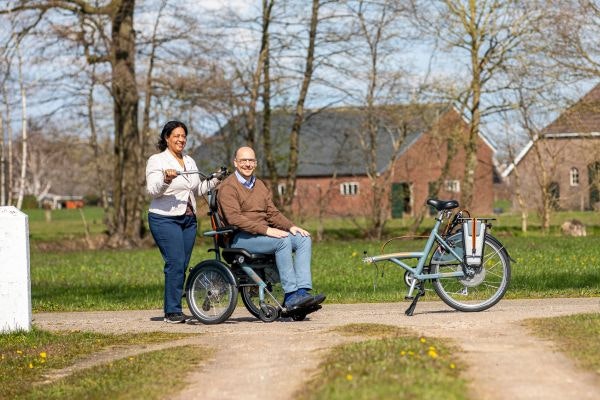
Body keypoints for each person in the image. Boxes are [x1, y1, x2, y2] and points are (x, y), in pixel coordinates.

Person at [217, 146, 326, 311]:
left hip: (261, 235)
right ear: (235, 163)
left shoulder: (259, 185)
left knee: (303, 239)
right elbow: (235, 219)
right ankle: (291, 295)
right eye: (243, 160)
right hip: (239, 237)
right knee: (282, 241)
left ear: (256, 163)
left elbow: (272, 214)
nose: (247, 164)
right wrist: (267, 230)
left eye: (251, 160)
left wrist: (291, 226)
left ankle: (302, 292)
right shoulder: (228, 187)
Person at [146, 120, 221, 323]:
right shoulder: (157, 160)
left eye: (183, 136)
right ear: (166, 138)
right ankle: (172, 311)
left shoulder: (189, 161)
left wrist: (215, 179)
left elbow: (196, 190)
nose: (181, 139)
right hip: (164, 219)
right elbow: (152, 190)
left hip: (188, 219)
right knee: (176, 262)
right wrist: (166, 179)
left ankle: (177, 304)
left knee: (183, 263)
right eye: (176, 136)